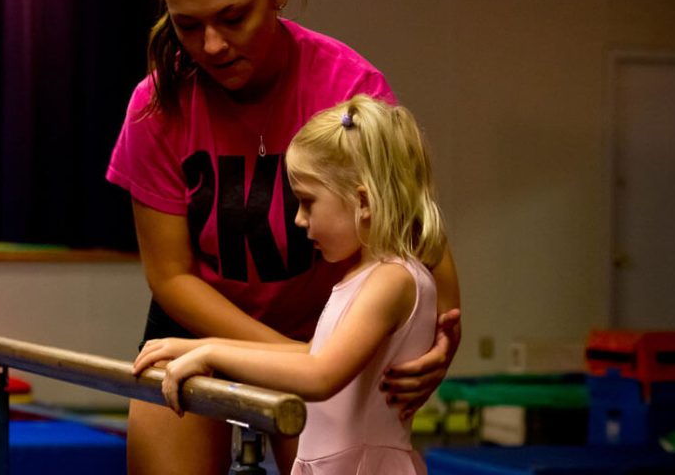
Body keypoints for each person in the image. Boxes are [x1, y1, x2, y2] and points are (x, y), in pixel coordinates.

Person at [106, 0, 461, 473]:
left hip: (326, 322)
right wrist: (272, 355)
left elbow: (412, 230)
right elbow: (170, 275)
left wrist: (440, 338)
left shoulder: (346, 87)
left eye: (233, 17)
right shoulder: (157, 105)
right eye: (188, 25)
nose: (213, 46)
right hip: (201, 320)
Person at [134, 95, 444, 475]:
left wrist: (212, 356)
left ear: (362, 201)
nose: (299, 220)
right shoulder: (361, 277)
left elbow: (320, 376)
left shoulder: (393, 279)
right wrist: (202, 345)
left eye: (308, 203)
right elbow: (309, 354)